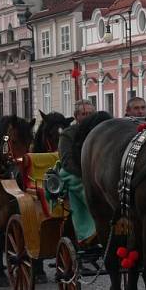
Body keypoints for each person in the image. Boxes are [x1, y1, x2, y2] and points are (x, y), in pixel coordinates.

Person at [57, 99, 97, 243]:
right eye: (84, 114)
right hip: (72, 173)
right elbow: (67, 162)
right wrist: (86, 174)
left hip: (95, 172)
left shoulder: (100, 131)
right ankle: (89, 229)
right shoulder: (68, 134)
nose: (88, 117)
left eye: (91, 114)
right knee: (83, 186)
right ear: (76, 116)